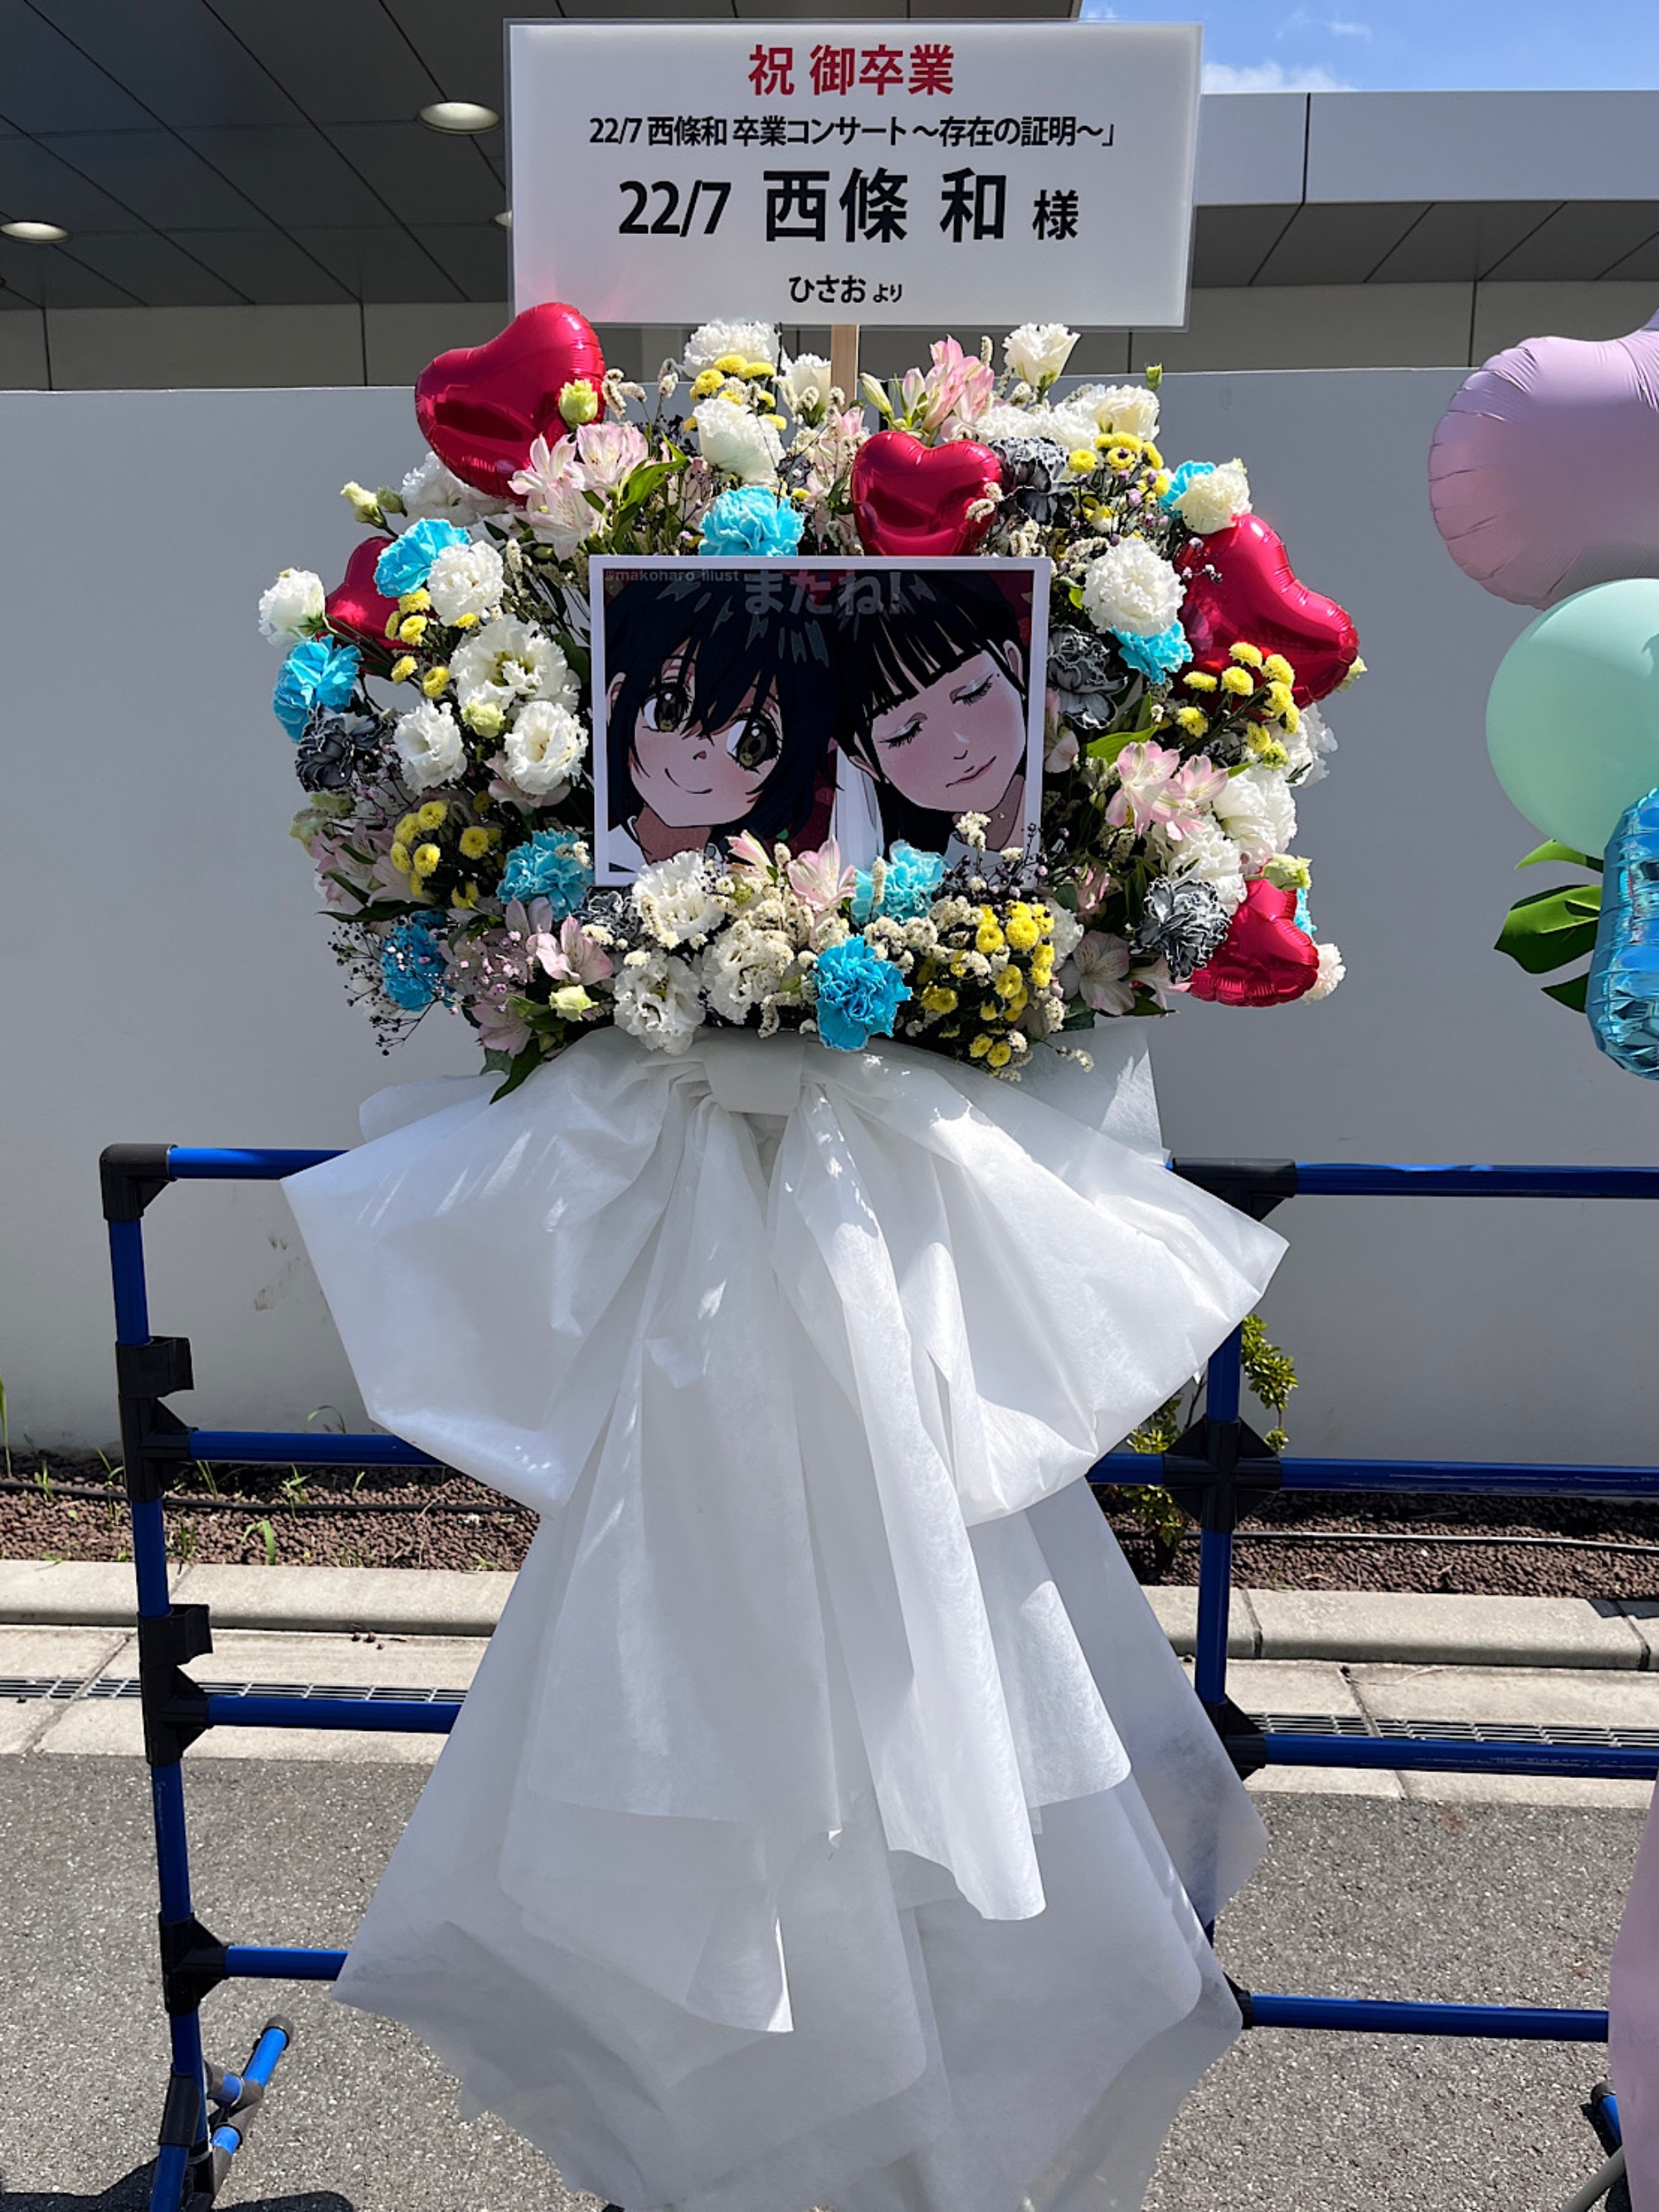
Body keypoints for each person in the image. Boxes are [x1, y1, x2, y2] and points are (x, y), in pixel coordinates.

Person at [603, 570, 838, 873]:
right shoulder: (591, 863)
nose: (700, 753)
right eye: (668, 712)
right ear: (616, 699)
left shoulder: (749, 884)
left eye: (750, 745)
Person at [836, 569, 1034, 859]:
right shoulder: (895, 869)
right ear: (865, 762)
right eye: (906, 733)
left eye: (973, 692)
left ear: (1013, 665)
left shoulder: (1077, 815)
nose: (959, 744)